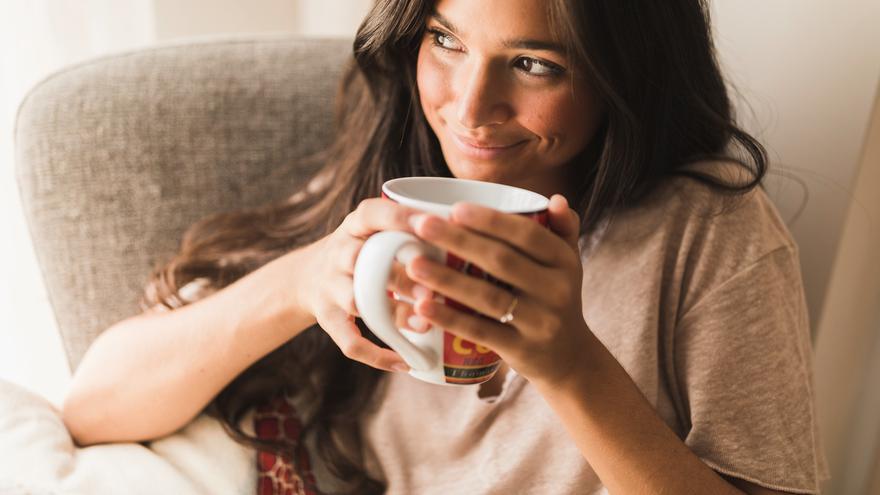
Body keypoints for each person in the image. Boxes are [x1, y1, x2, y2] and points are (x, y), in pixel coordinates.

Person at [60, 0, 829, 493]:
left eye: (534, 63)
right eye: (446, 40)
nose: (468, 109)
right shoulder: (401, 176)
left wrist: (569, 364)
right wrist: (305, 279)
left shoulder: (709, 234)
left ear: (622, 76)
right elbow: (93, 407)